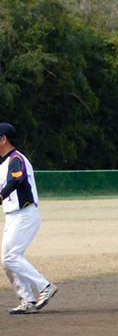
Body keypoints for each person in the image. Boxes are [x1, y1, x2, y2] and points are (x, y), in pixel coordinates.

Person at [0, 123, 58, 315]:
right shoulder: (3, 165)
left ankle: (45, 286)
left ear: (3, 139)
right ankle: (27, 300)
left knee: (11, 257)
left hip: (25, 214)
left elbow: (16, 181)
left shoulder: (17, 159)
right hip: (12, 216)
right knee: (7, 261)